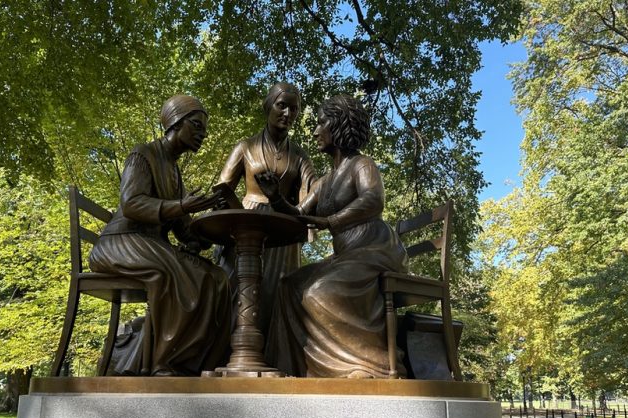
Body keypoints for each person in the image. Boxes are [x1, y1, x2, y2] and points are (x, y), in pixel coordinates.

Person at [256, 95, 408, 378]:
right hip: (345, 256)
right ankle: (295, 369)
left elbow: (374, 199)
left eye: (321, 123)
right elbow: (299, 212)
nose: (315, 131)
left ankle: (367, 364)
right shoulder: (324, 181)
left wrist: (330, 221)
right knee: (288, 286)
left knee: (318, 292)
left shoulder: (362, 165)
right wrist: (276, 198)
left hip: (375, 251)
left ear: (339, 126)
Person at [89, 95, 231, 376]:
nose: (203, 134)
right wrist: (180, 206)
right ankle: (162, 362)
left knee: (217, 278)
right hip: (120, 242)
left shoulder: (175, 173)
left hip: (150, 245)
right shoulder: (142, 155)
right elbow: (131, 203)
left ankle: (195, 362)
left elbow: (182, 227)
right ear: (175, 123)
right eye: (197, 125)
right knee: (172, 272)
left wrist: (207, 227)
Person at [214, 82, 316, 336]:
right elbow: (221, 189)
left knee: (279, 287)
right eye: (282, 106)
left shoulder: (300, 156)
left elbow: (314, 190)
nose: (288, 114)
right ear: (268, 107)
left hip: (282, 228)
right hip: (248, 222)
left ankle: (275, 351)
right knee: (234, 284)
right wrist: (238, 218)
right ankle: (233, 346)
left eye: (294, 109)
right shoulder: (245, 147)